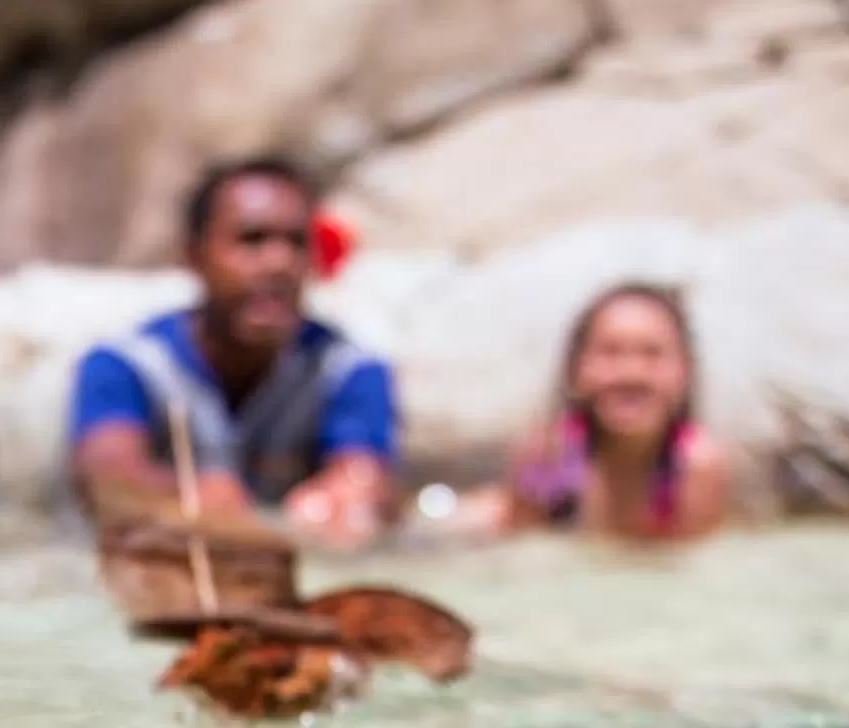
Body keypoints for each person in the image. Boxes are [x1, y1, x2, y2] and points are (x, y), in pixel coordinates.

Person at [68, 156, 398, 548]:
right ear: (194, 256)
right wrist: (191, 497)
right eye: (252, 240)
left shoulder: (347, 369)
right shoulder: (127, 365)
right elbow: (107, 478)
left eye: (296, 243)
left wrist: (349, 497)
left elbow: (367, 478)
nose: (279, 263)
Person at [455, 283, 727, 542]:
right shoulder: (548, 453)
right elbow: (521, 554)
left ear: (685, 371)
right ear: (575, 370)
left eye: (652, 354)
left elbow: (687, 571)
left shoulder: (695, 467)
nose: (630, 373)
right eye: (610, 352)